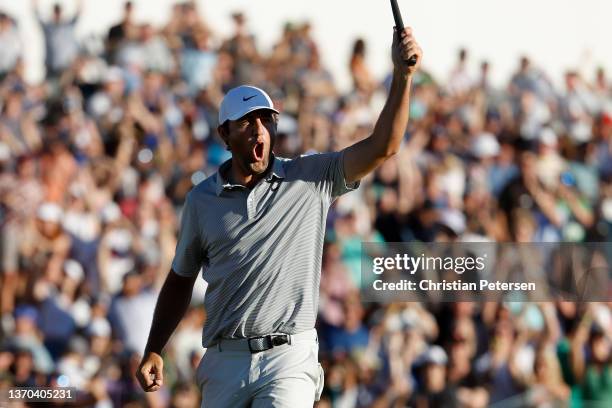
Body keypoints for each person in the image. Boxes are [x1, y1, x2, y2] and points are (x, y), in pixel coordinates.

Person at [136, 26, 422, 407]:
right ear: (224, 132)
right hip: (225, 360)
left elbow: (383, 147)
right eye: (246, 122)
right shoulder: (201, 201)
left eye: (266, 121)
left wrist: (402, 78)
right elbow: (180, 279)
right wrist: (155, 347)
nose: (259, 131)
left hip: (288, 356)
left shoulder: (309, 177)